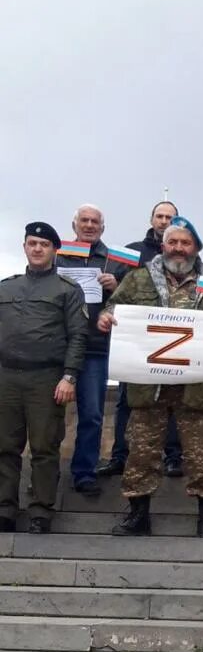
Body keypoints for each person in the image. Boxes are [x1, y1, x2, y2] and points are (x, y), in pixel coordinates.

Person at [99, 218, 203, 537]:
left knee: (202, 450)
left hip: (197, 385)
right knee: (141, 450)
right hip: (148, 384)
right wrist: (106, 318)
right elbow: (112, 308)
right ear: (163, 245)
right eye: (173, 242)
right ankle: (138, 515)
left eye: (186, 243)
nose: (179, 249)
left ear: (196, 248)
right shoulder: (138, 280)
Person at [0, 223, 87, 534]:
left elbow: (78, 336)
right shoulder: (5, 287)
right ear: (24, 247)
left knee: (44, 446)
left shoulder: (67, 289)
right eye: (32, 243)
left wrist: (69, 377)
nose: (37, 249)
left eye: (44, 244)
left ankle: (40, 510)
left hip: (46, 377)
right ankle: (5, 509)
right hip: (6, 376)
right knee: (5, 446)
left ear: (54, 250)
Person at [98, 200, 183, 480]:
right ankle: (120, 456)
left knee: (172, 398)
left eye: (169, 217)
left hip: (171, 339)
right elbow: (115, 290)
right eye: (159, 216)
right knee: (125, 399)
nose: (163, 220)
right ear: (151, 219)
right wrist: (111, 283)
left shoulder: (185, 253)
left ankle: (173, 457)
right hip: (135, 339)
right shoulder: (130, 251)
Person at [56, 204, 115, 498]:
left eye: (95, 222)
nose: (89, 225)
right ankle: (47, 473)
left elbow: (130, 299)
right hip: (57, 346)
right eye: (84, 220)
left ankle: (84, 473)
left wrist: (114, 286)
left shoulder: (114, 260)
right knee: (49, 415)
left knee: (92, 414)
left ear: (102, 228)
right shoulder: (58, 255)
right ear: (75, 224)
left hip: (95, 348)